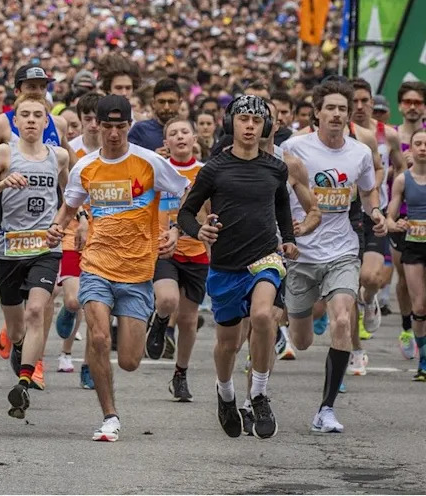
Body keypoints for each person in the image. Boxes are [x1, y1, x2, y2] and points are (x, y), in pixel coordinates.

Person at [48, 95, 188, 442]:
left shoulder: (149, 162)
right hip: (97, 263)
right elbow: (70, 207)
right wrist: (56, 226)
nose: (113, 134)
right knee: (98, 337)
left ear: (129, 126)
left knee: (129, 361)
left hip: (138, 271)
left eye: (120, 127)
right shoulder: (86, 167)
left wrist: (176, 229)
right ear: (97, 125)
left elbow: (188, 192)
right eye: (107, 126)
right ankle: (109, 416)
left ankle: (153, 321)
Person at [178, 96, 297, 439]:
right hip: (226, 264)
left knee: (262, 316)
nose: (249, 126)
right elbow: (186, 212)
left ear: (266, 127)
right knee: (227, 344)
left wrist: (288, 239)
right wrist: (198, 231)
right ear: (231, 123)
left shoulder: (276, 168)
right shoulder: (214, 169)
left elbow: (282, 208)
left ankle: (259, 393)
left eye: (256, 121)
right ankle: (226, 393)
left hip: (265, 258)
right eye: (243, 119)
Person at [281, 80, 385, 434]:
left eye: (343, 109)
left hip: (343, 249)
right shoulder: (294, 148)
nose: (337, 114)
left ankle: (326, 409)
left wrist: (375, 213)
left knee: (341, 320)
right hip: (301, 252)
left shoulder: (359, 153)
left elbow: (368, 192)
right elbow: (275, 192)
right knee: (302, 340)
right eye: (331, 108)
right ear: (317, 112)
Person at [0, 96, 69, 419]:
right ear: (15, 122)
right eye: (25, 115)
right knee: (16, 329)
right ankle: (19, 347)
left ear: (46, 122)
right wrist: (3, 183)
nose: (31, 120)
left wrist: (61, 224)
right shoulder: (5, 153)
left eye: (37, 115)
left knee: (36, 311)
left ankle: (24, 382)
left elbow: (70, 198)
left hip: (45, 248)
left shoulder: (59, 156)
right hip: (9, 250)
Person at [146, 118, 207, 403]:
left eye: (185, 132)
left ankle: (180, 374)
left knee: (188, 319)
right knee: (168, 300)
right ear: (165, 142)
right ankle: (159, 321)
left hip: (196, 250)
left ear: (195, 138)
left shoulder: (206, 172)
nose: (180, 137)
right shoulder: (156, 169)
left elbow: (212, 211)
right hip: (164, 249)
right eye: (173, 133)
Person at [350, 79, 405, 338]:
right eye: (354, 101)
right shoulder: (340, 134)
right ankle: (353, 342)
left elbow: (400, 167)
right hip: (345, 214)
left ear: (372, 103)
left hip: (375, 210)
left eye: (365, 101)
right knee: (350, 280)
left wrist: (394, 198)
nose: (360, 106)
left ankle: (369, 300)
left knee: (371, 278)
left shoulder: (387, 134)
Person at [56, 92, 101, 380]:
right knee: (74, 301)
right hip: (73, 232)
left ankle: (88, 365)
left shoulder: (116, 152)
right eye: (88, 119)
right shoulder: (71, 152)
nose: (94, 125)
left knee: (95, 305)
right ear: (81, 121)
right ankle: (68, 312)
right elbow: (63, 191)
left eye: (99, 119)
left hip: (104, 235)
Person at [385, 128, 426, 380]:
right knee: (419, 305)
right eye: (418, 144)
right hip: (413, 246)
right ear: (410, 149)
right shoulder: (403, 180)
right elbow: (390, 216)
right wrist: (394, 223)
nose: (423, 148)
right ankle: (424, 360)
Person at [395, 81, 426, 359]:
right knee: (405, 282)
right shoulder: (391, 136)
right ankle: (407, 326)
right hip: (403, 221)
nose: (413, 107)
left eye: (418, 102)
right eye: (408, 101)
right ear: (400, 105)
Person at [0, 65, 69, 147]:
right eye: (32, 87)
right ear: (17, 91)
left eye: (43, 87)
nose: (39, 92)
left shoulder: (59, 124)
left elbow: (68, 156)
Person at [128, 78, 181, 153]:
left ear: (180, 103)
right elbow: (128, 157)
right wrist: (153, 157)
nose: (166, 107)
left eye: (171, 102)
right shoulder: (140, 130)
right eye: (161, 102)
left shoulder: (189, 130)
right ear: (153, 103)